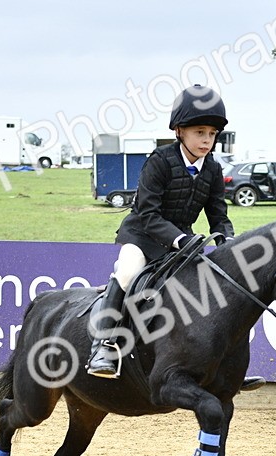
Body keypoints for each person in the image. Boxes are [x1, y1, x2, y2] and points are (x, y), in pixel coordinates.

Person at [87, 85, 235, 379]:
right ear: (180, 131)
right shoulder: (160, 161)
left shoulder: (213, 170)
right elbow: (148, 214)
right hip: (143, 236)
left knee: (213, 287)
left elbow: (218, 214)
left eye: (212, 134)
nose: (207, 140)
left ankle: (224, 362)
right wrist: (178, 238)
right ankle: (103, 346)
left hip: (181, 244)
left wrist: (227, 239)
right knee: (128, 273)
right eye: (200, 132)